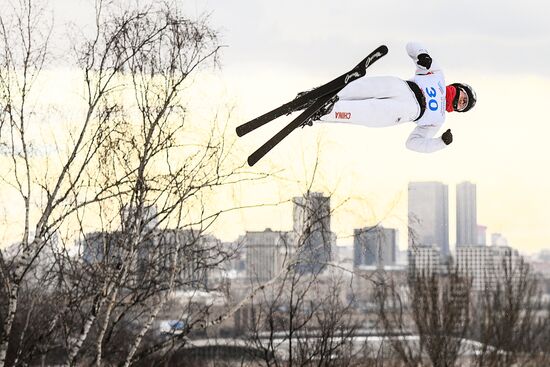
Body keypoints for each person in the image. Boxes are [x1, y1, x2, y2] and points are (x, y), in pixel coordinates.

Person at [307, 42, 477, 153]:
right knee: (363, 87)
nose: (462, 101)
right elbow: (411, 46)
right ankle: (321, 96)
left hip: (403, 112)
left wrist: (441, 142)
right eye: (465, 97)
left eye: (464, 105)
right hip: (402, 87)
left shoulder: (438, 119)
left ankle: (324, 112)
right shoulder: (438, 74)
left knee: (366, 111)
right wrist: (422, 55)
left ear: (458, 110)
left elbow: (413, 143)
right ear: (459, 87)